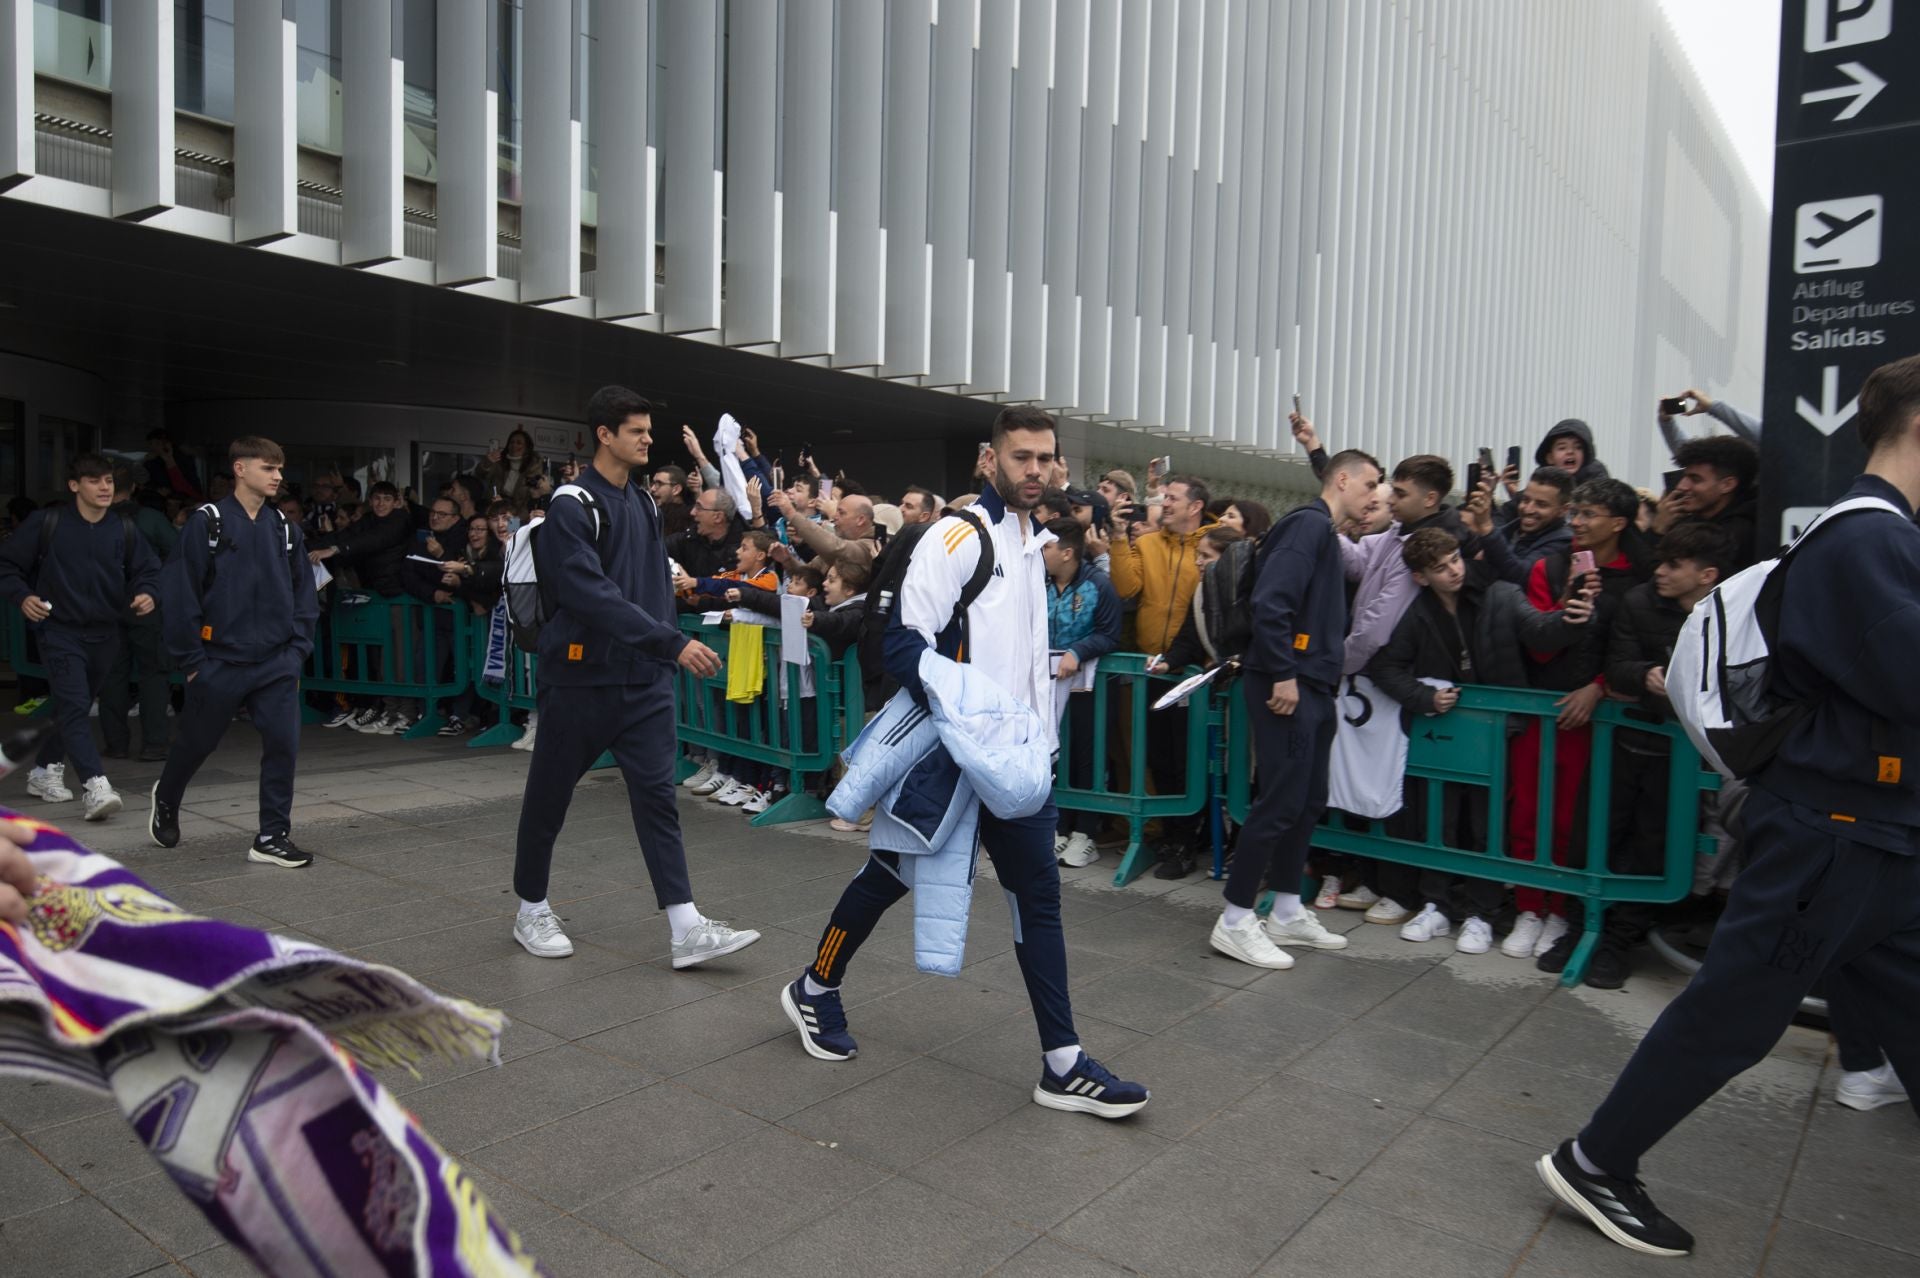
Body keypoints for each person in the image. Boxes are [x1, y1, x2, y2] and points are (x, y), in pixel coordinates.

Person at [1534, 352, 1920, 1259]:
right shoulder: (1867, 540)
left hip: (1872, 837)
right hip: (1836, 835)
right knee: (1734, 1011)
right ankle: (1597, 1161)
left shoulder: (1878, 538)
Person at [781, 405, 1150, 1119]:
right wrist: (976, 715)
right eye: (1021, 457)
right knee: (888, 873)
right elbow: (901, 647)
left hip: (1017, 764)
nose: (1034, 470)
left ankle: (1063, 1062)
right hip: (959, 755)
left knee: (1036, 899)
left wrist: (1026, 730)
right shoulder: (957, 538)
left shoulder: (1029, 540)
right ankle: (814, 988)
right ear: (991, 460)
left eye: (1045, 458)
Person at [507, 385, 760, 970]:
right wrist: (672, 643)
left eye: (649, 430)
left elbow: (646, 587)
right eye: (637, 431)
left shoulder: (644, 503)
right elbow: (588, 594)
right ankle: (530, 908)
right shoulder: (572, 504)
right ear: (605, 435)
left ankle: (685, 926)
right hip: (580, 679)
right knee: (549, 797)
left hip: (642, 682)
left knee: (657, 800)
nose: (649, 439)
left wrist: (662, 644)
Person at [1366, 528, 1594, 953]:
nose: (1454, 570)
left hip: (1498, 730)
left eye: (1456, 559)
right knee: (1442, 820)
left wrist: (1571, 616)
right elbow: (1386, 667)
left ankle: (1481, 913)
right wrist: (1425, 697)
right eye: (1441, 567)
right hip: (1447, 734)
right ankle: (1435, 904)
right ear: (1420, 577)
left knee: (1489, 824)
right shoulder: (1416, 614)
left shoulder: (1500, 594)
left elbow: (1541, 632)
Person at [1211, 449, 1383, 970]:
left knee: (1306, 801)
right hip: (1288, 681)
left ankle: (1287, 910)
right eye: (1371, 483)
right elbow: (1272, 602)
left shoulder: (1320, 532)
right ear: (1344, 480)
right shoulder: (1308, 526)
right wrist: (1283, 671)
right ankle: (1236, 919)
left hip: (1310, 682)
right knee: (1280, 802)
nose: (1377, 495)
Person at [149, 437, 320, 867]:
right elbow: (181, 592)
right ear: (240, 469)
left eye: (280, 469)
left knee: (284, 744)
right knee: (197, 743)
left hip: (277, 661)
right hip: (218, 660)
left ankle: (272, 837)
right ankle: (166, 796)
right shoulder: (207, 522)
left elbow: (305, 591)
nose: (278, 476)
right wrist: (192, 662)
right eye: (269, 468)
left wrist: (297, 648)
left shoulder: (283, 527)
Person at [1585, 521, 1736, 989]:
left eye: (1674, 565)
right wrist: (1647, 677)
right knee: (1605, 832)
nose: (1661, 573)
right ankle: (1586, 926)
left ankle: (1624, 936)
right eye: (1660, 561)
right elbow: (1618, 666)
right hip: (1637, 742)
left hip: (1699, 758)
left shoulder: (1737, 614)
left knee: (1662, 844)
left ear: (1707, 574)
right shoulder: (1638, 602)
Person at [0, 453, 163, 821]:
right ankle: (95, 785)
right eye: (94, 481)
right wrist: (22, 596)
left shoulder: (123, 528)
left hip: (106, 633)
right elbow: (7, 564)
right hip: (59, 631)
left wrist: (149, 592)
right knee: (75, 705)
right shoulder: (48, 523)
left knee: (70, 705)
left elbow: (148, 570)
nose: (104, 487)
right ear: (75, 486)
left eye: (108, 481)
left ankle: (43, 771)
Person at [1107, 474, 1217, 877]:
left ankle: (1189, 839)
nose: (1164, 503)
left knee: (1189, 759)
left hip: (1196, 673)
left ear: (1195, 506)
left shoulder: (1212, 546)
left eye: (1172, 498)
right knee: (1159, 758)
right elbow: (1126, 588)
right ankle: (1171, 837)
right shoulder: (1148, 542)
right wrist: (1120, 539)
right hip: (1152, 667)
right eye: (1164, 497)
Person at [1044, 519, 1122, 869]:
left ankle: (1085, 833)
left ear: (1067, 552)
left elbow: (1110, 633)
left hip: (1088, 686)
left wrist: (1078, 650)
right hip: (1044, 686)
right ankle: (1057, 827)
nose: (1040, 553)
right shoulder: (1036, 583)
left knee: (1086, 754)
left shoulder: (1098, 585)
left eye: (1046, 547)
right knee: (1052, 752)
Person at [101, 464, 179, 763]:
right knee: (154, 674)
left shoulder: (93, 518)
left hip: (104, 606)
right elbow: (177, 554)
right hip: (146, 603)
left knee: (111, 674)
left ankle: (115, 744)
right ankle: (155, 744)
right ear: (133, 487)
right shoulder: (150, 519)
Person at [1649, 434, 1761, 571]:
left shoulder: (1739, 533)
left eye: (1695, 479)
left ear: (1727, 485)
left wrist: (1657, 532)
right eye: (1684, 477)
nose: (1682, 486)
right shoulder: (1685, 520)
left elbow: (1667, 580)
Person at [775, 489, 880, 569]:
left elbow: (836, 547)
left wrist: (790, 513)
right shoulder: (843, 540)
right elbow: (808, 575)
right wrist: (788, 560)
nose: (834, 516)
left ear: (860, 520)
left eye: (841, 513)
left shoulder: (871, 546)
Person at [1497, 467, 1574, 567]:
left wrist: (1489, 534)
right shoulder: (1512, 529)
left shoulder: (1562, 543)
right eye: (1525, 500)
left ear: (1563, 510)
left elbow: (1523, 575)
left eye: (1541, 504)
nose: (1528, 510)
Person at [477, 428, 548, 510]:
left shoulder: (534, 465)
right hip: (495, 508)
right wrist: (487, 462)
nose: (514, 445)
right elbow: (480, 475)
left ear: (527, 447)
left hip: (519, 513)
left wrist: (511, 510)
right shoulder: (500, 461)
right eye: (512, 442)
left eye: (519, 443)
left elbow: (532, 494)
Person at [649, 465, 692, 538]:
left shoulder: (689, 517)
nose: (652, 489)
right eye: (653, 483)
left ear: (676, 489)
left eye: (659, 484)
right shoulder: (651, 511)